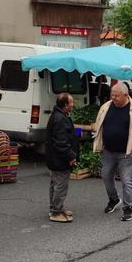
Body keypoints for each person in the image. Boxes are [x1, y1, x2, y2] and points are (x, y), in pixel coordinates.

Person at [93, 83, 132, 221]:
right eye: (112, 95)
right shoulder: (106, 107)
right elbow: (98, 124)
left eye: (116, 95)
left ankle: (128, 207)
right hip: (108, 151)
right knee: (106, 176)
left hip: (126, 153)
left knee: (126, 180)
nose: (113, 98)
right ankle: (114, 199)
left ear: (126, 95)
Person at [45, 93, 78, 223]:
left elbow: (69, 132)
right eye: (71, 102)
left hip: (54, 158)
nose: (73, 105)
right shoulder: (60, 119)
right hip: (59, 159)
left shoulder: (60, 116)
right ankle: (56, 212)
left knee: (55, 183)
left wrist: (80, 133)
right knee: (61, 185)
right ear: (65, 105)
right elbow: (61, 142)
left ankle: (55, 208)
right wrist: (71, 157)